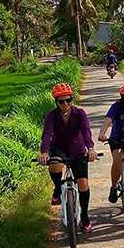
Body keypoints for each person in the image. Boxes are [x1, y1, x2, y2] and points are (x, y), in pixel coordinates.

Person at [39, 82, 98, 233]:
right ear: (56, 102)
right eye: (61, 101)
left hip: (77, 149)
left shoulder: (80, 113)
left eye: (68, 100)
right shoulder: (51, 116)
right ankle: (58, 189)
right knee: (55, 165)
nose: (65, 104)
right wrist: (44, 152)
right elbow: (47, 134)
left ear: (72, 100)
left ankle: (84, 217)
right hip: (59, 149)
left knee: (83, 184)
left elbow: (86, 131)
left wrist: (90, 148)